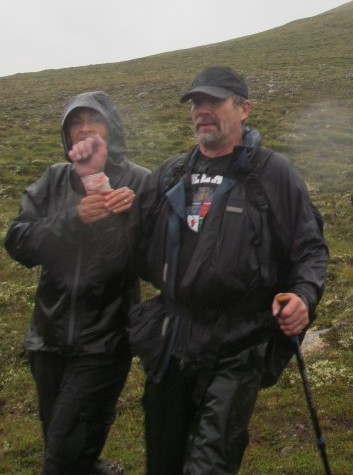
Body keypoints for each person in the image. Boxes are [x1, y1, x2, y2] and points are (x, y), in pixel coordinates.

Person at [130, 66, 329, 475]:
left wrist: (303, 296)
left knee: (211, 463)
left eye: (214, 101)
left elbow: (310, 249)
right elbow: (131, 247)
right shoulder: (170, 174)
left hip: (238, 343)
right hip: (171, 339)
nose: (202, 110)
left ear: (243, 109)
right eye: (196, 103)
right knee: (163, 462)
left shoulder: (273, 174)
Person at [4, 91, 149, 475]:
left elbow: (145, 259)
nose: (84, 129)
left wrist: (128, 213)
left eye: (94, 120)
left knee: (61, 457)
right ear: (66, 134)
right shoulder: (54, 179)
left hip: (104, 340)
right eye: (75, 122)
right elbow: (18, 242)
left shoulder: (138, 182)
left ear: (110, 128)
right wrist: (73, 219)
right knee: (65, 444)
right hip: (47, 337)